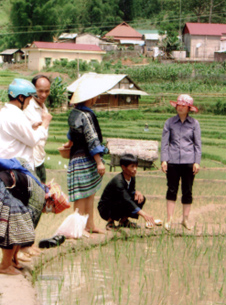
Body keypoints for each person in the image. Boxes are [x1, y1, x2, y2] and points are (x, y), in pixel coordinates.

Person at [63, 80, 107, 235]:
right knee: (83, 194)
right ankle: (78, 230)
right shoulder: (87, 115)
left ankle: (90, 225)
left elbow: (71, 134)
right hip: (86, 158)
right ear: (90, 98)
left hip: (76, 156)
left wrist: (69, 143)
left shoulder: (74, 113)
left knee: (89, 193)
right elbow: (92, 139)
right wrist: (99, 162)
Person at [0, 158, 56, 275]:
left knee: (14, 222)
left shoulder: (34, 183)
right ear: (50, 202)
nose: (47, 212)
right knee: (15, 223)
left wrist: (15, 257)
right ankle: (5, 266)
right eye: (51, 209)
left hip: (4, 185)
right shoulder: (39, 197)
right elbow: (22, 230)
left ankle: (10, 262)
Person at [161, 94, 201, 231]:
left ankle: (185, 219)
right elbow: (165, 143)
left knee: (187, 191)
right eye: (178, 105)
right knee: (171, 190)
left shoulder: (194, 124)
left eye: (183, 105)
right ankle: (169, 219)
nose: (180, 107)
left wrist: (197, 162)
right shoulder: (169, 122)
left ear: (189, 108)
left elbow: (197, 144)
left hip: (189, 161)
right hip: (172, 161)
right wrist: (164, 160)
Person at [0, 79, 52, 170]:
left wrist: (31, 128)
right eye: (29, 99)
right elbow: (33, 140)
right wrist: (45, 123)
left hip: (7, 164)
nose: (29, 103)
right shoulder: (16, 115)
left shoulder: (5, 111)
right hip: (16, 168)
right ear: (21, 97)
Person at [98, 154, 155, 230]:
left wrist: (136, 192)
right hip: (106, 208)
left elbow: (130, 191)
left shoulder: (131, 177)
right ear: (123, 167)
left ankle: (124, 221)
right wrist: (144, 214)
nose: (135, 169)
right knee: (124, 201)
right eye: (132, 166)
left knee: (140, 198)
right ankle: (110, 222)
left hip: (121, 201)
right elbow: (126, 199)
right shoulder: (118, 181)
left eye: (136, 166)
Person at [23, 75, 52, 183]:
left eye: (47, 91)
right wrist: (44, 123)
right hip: (30, 161)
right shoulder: (28, 107)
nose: (43, 95)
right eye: (40, 91)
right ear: (33, 89)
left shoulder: (43, 107)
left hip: (40, 159)